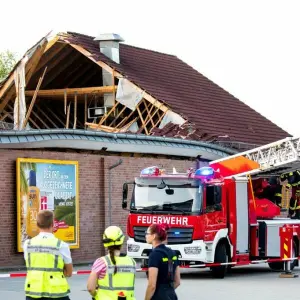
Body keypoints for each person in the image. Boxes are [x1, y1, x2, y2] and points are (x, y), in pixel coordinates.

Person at [23, 210, 73, 300]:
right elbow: (69, 272)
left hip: (33, 293)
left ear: (37, 224)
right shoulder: (61, 245)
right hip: (57, 293)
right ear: (53, 224)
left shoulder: (28, 244)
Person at [87, 226, 136, 300]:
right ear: (121, 240)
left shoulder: (101, 262)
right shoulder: (132, 262)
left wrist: (95, 294)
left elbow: (90, 288)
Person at [144, 223, 180, 300]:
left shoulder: (154, 255)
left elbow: (152, 285)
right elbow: (177, 282)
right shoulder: (172, 253)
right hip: (172, 296)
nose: (145, 236)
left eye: (147, 233)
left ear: (153, 236)